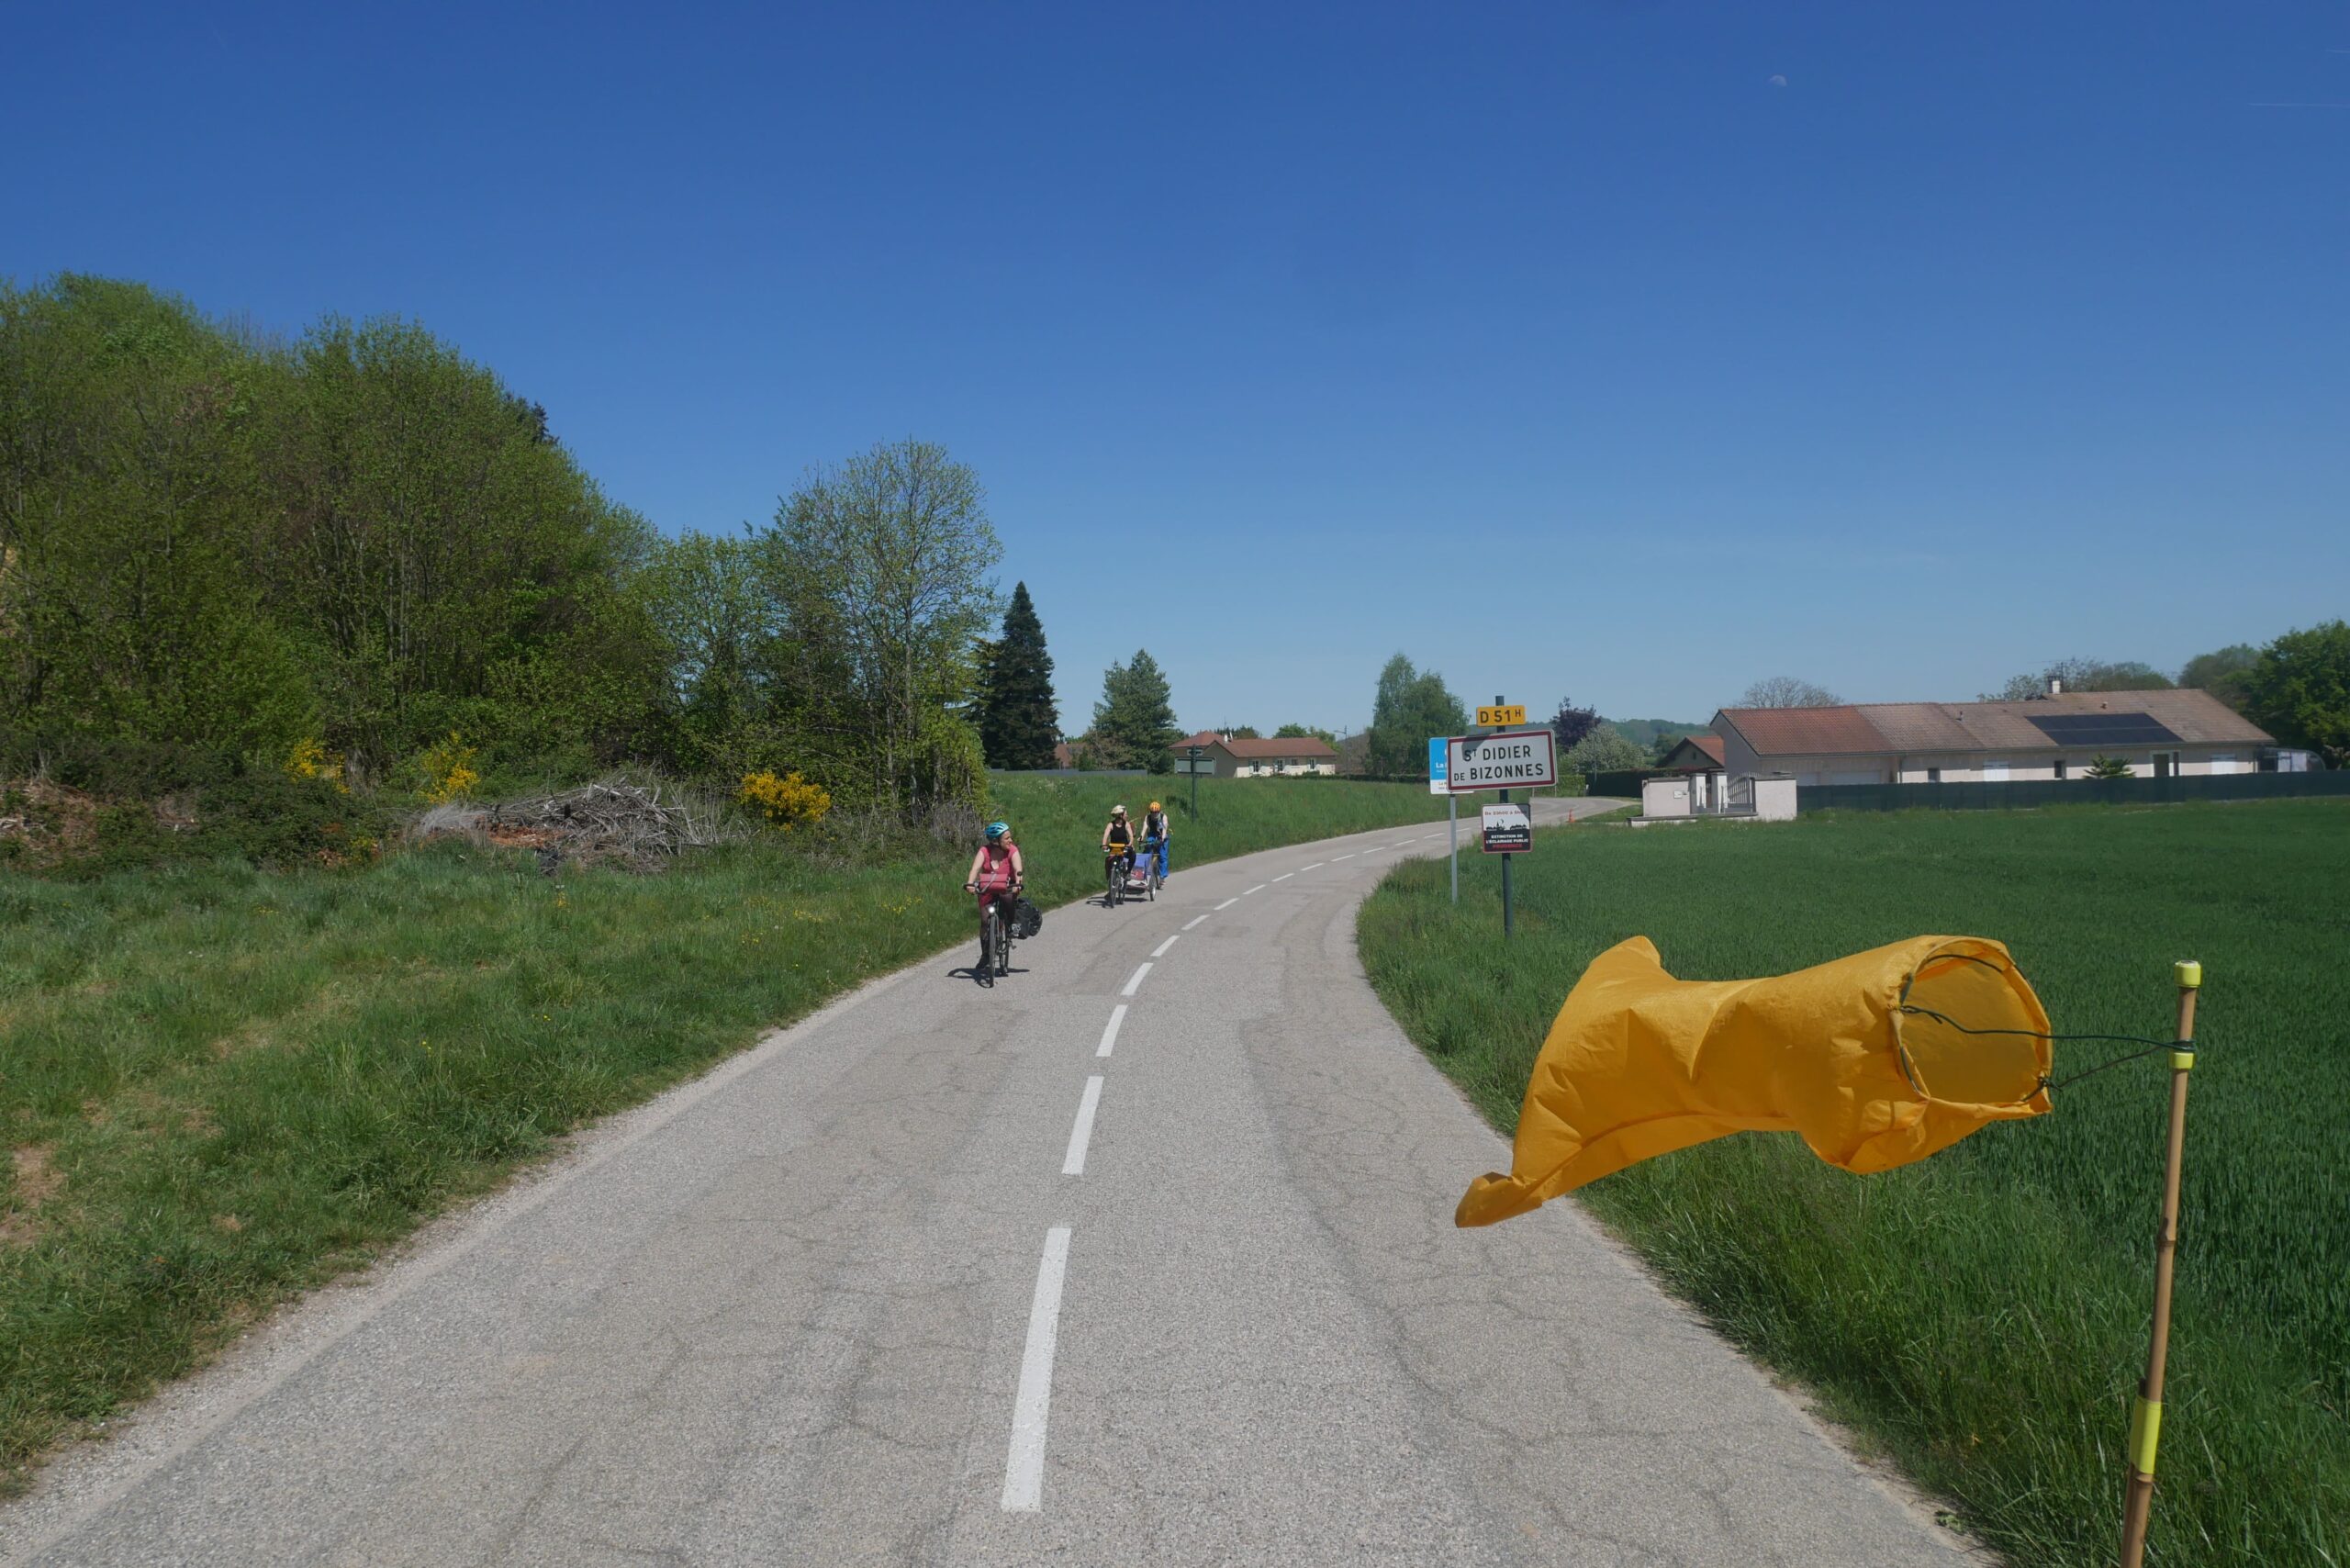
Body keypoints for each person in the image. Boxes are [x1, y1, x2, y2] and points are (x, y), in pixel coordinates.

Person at [964, 821, 1024, 966]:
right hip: (988, 888)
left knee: (1008, 900)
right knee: (985, 921)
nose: (1010, 840)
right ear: (996, 841)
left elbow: (1018, 870)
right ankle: (985, 954)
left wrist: (1018, 884)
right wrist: (970, 884)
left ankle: (1011, 925)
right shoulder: (984, 851)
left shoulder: (1013, 851)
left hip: (1008, 886)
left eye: (1010, 837)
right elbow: (975, 869)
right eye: (1007, 838)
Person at [1101, 803, 1136, 886]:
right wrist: (1104, 844)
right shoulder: (1110, 825)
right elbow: (1105, 835)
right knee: (1108, 861)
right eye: (1125, 814)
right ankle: (1110, 876)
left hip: (1124, 848)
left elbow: (1131, 836)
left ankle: (1128, 872)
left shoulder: (1126, 824)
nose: (1127, 816)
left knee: (1133, 855)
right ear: (1120, 815)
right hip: (1114, 848)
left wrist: (1130, 843)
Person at [1142, 800, 1171, 883]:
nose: (1154, 814)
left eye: (1156, 812)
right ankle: (1146, 871)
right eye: (1152, 812)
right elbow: (1145, 827)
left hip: (1162, 835)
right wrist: (1141, 837)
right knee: (1147, 848)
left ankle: (1162, 877)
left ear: (1159, 811)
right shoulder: (1148, 817)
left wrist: (1163, 837)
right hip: (1152, 834)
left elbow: (1164, 828)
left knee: (1163, 856)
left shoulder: (1163, 817)